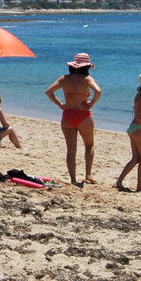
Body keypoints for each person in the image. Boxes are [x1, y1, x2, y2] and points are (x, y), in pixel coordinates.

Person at [45, 52, 102, 185]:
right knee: (89, 145)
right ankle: (88, 174)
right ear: (86, 67)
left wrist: (60, 104)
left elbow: (48, 91)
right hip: (83, 115)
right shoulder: (87, 79)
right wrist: (91, 103)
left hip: (68, 115)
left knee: (71, 151)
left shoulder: (64, 78)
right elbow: (98, 91)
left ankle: (73, 179)